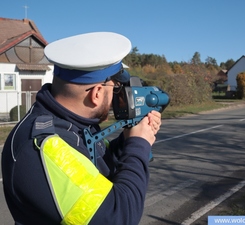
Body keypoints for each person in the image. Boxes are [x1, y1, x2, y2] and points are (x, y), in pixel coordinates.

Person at [1, 32, 162, 225]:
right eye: (115, 89)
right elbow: (119, 218)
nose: (116, 98)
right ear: (97, 93)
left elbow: (97, 167)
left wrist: (128, 140)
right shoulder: (45, 146)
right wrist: (139, 145)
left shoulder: (74, 125)